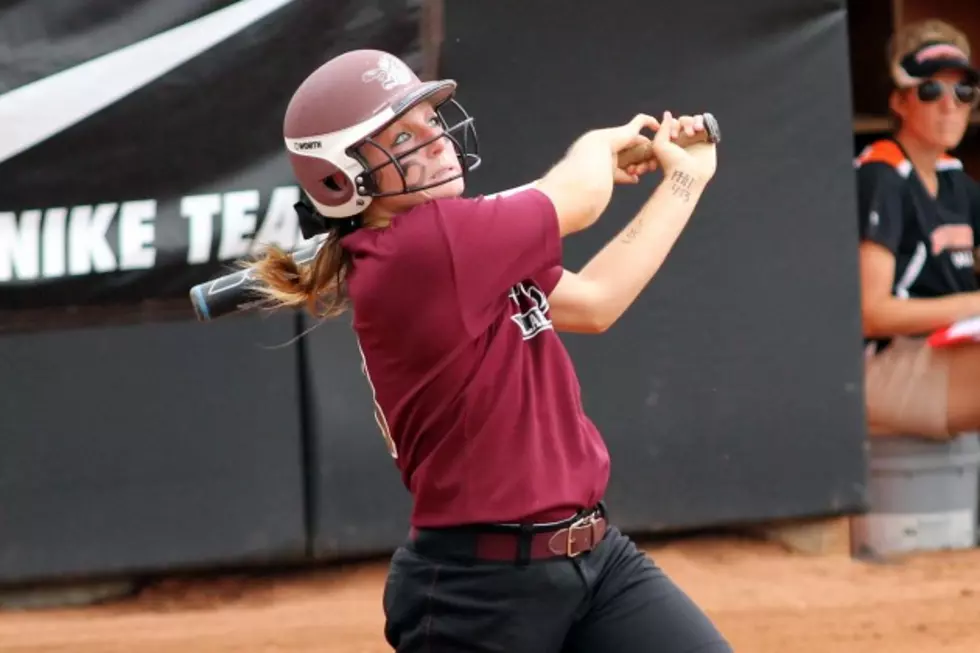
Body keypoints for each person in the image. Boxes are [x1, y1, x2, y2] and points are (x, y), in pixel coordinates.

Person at [250, 49, 731, 652]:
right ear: (342, 179)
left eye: (429, 120)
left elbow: (596, 302)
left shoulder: (458, 240)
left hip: (597, 560)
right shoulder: (426, 249)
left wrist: (685, 180)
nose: (434, 139)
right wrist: (596, 147)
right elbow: (579, 201)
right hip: (478, 593)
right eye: (402, 134)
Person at [855, 19, 980, 441]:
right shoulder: (882, 174)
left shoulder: (955, 180)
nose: (949, 105)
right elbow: (871, 314)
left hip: (942, 355)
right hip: (878, 368)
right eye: (930, 90)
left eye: (963, 91)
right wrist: (974, 303)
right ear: (899, 101)